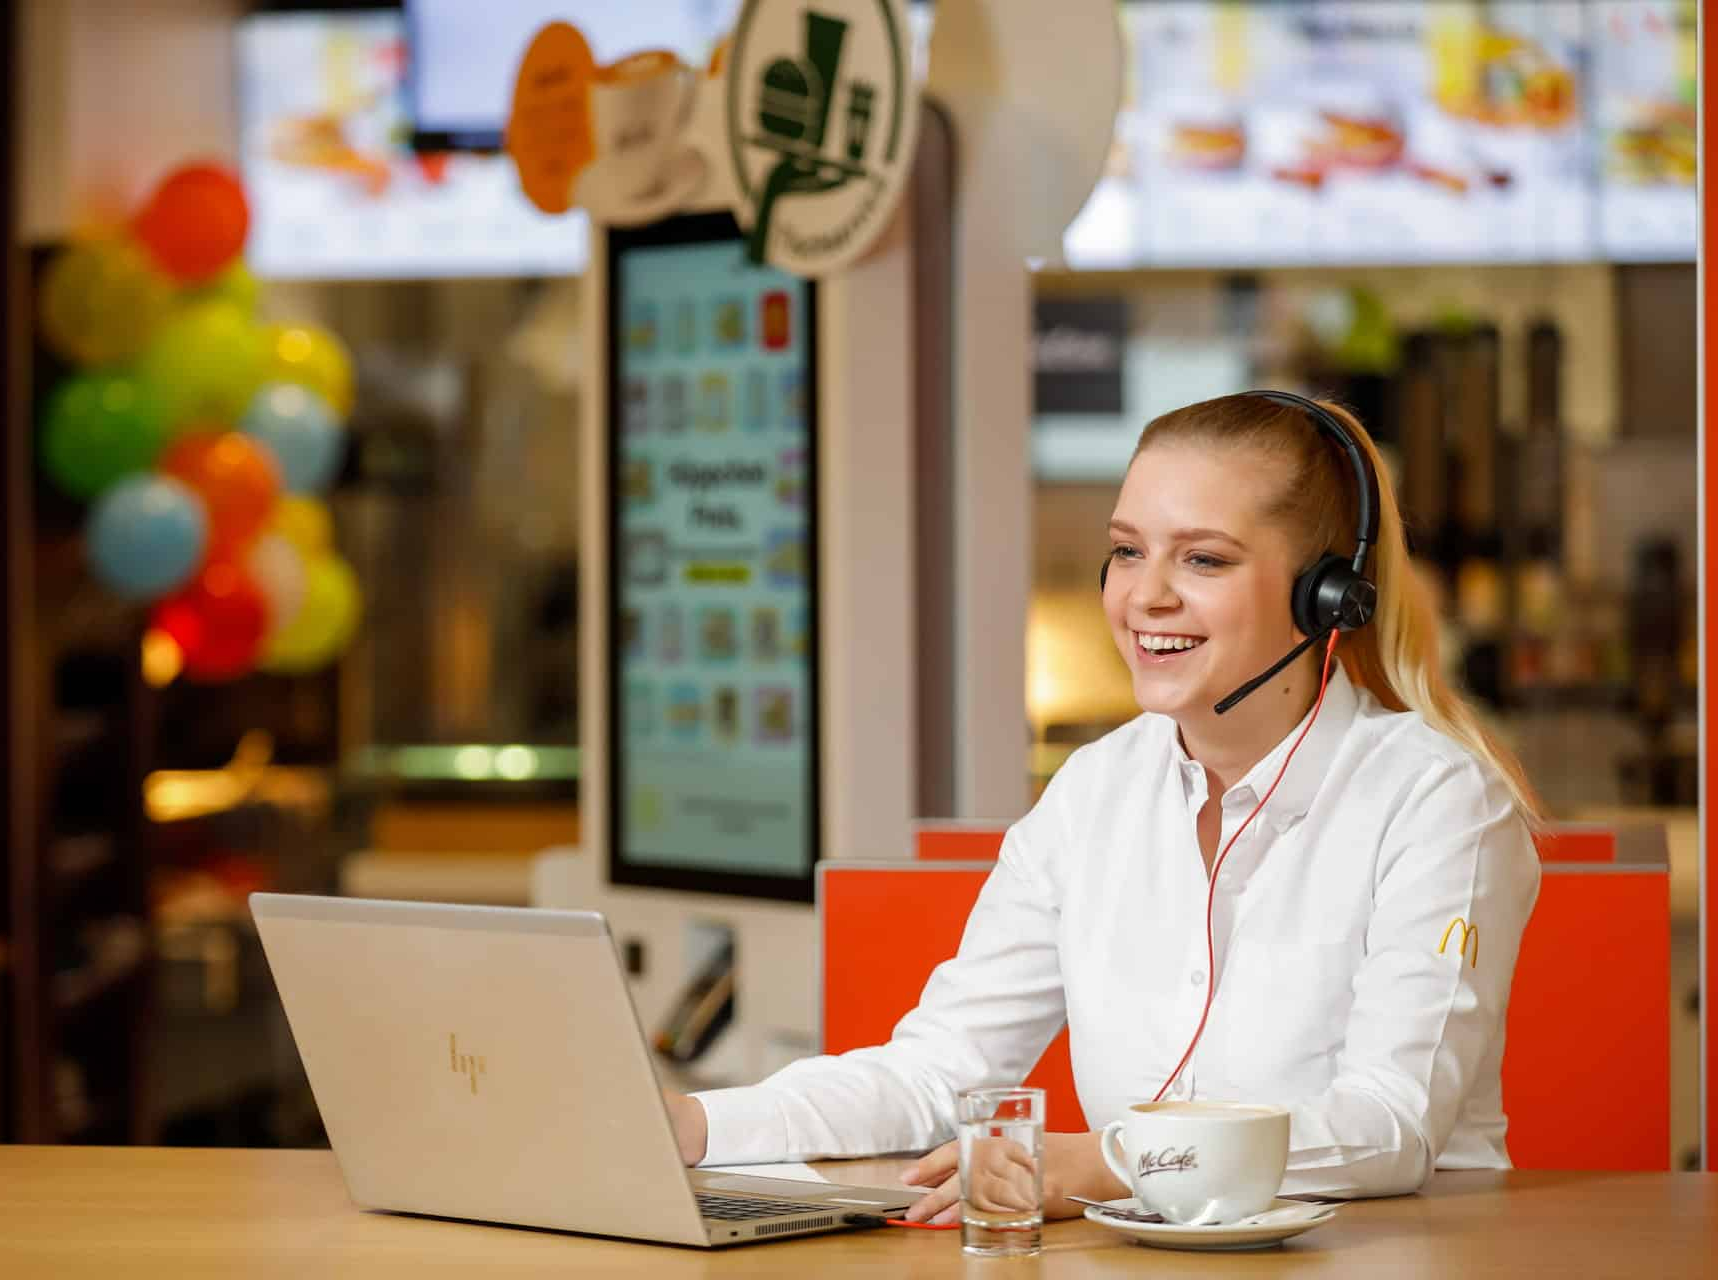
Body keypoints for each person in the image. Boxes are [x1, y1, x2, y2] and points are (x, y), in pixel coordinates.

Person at [664, 392, 1543, 1224]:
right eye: (1128, 550)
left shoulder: (1437, 800)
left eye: (1203, 558)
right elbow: (941, 1068)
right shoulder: (1094, 793)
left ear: (1325, 594)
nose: (1146, 595)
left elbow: (1390, 1127)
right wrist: (697, 1126)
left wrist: (1116, 1162)